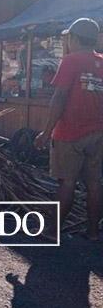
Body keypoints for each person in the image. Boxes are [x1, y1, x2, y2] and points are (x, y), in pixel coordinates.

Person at [35, 18, 103, 242]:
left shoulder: (71, 60)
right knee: (94, 182)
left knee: (68, 181)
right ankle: (93, 232)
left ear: (74, 39)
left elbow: (60, 97)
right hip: (98, 133)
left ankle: (53, 230)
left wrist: (46, 132)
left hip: (70, 133)